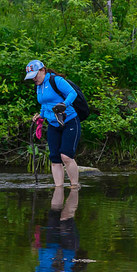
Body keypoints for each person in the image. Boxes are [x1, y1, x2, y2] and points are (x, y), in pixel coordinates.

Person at [24, 59, 81, 188]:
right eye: (31, 77)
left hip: (69, 121)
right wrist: (40, 116)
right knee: (55, 158)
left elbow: (73, 93)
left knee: (65, 156)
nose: (33, 79)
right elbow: (44, 104)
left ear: (42, 70)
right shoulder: (38, 86)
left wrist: (64, 105)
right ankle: (58, 188)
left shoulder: (56, 81)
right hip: (53, 124)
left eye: (35, 76)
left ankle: (74, 187)